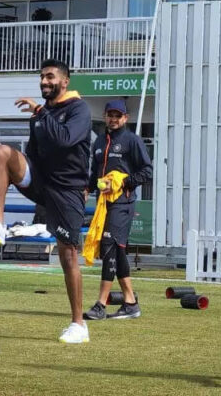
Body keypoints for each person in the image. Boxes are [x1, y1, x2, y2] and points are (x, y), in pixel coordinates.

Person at [0, 59, 93, 343]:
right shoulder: (39, 115)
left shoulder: (79, 109)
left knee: (67, 255)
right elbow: (35, 154)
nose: (44, 82)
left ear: (65, 81)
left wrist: (40, 112)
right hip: (42, 183)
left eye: (50, 77)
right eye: (41, 77)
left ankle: (79, 325)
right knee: (1, 152)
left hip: (67, 190)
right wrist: (15, 168)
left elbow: (64, 140)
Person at [82, 99, 152, 321]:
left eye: (117, 115)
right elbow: (95, 175)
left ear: (125, 118)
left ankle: (100, 305)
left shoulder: (132, 140)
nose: (113, 119)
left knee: (109, 245)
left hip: (123, 203)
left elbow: (147, 171)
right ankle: (130, 303)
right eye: (109, 115)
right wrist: (86, 189)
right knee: (118, 251)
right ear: (105, 116)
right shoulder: (99, 142)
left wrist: (123, 182)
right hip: (104, 204)